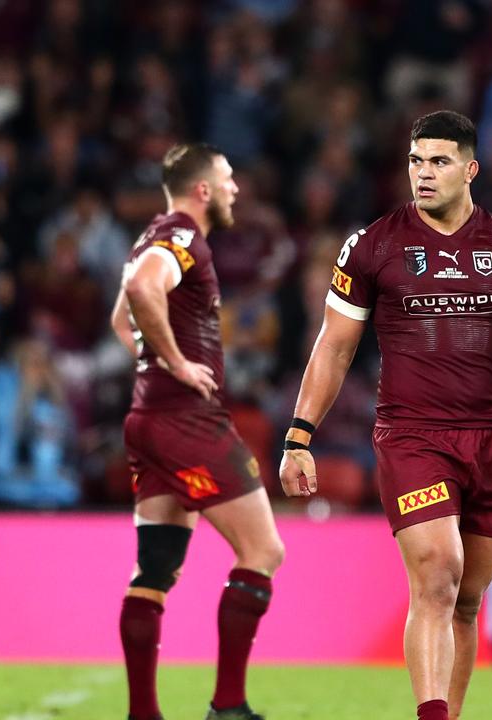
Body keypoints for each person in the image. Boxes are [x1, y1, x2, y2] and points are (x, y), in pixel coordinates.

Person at [279, 111, 492, 720]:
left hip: (489, 438)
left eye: (438, 161)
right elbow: (334, 347)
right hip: (411, 435)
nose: (423, 174)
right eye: (415, 161)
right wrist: (298, 434)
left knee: (466, 601)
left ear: (470, 169)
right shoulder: (373, 246)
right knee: (439, 572)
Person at [109, 143, 285, 720]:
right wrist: (178, 364)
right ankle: (228, 707)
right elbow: (140, 293)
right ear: (203, 189)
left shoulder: (150, 236)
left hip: (147, 419)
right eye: (229, 179)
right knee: (262, 549)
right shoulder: (183, 235)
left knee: (155, 570)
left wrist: (151, 360)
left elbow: (121, 318)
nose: (236, 189)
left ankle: (143, 714)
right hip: (186, 419)